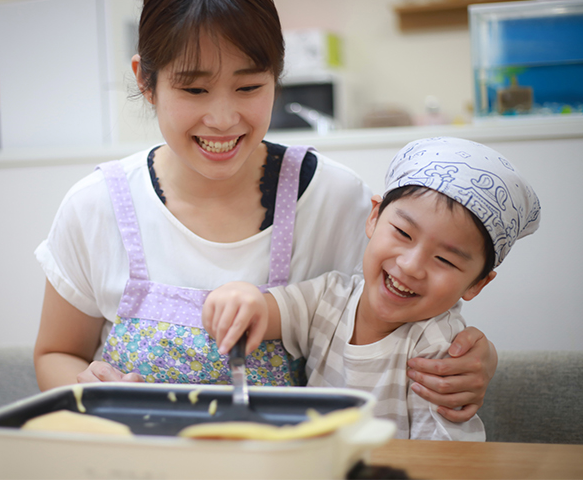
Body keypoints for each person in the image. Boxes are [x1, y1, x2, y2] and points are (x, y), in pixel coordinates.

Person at [33, 0, 496, 422]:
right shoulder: (97, 205)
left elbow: (412, 320)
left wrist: (473, 358)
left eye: (249, 87)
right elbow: (56, 353)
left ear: (276, 77)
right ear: (147, 81)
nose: (222, 118)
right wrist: (87, 392)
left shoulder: (335, 200)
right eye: (194, 89)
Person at [203, 137, 541, 440]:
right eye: (403, 234)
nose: (410, 265)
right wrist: (242, 296)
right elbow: (270, 311)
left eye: (444, 259)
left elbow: (448, 456)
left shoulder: (437, 349)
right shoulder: (330, 297)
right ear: (374, 217)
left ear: (478, 283)